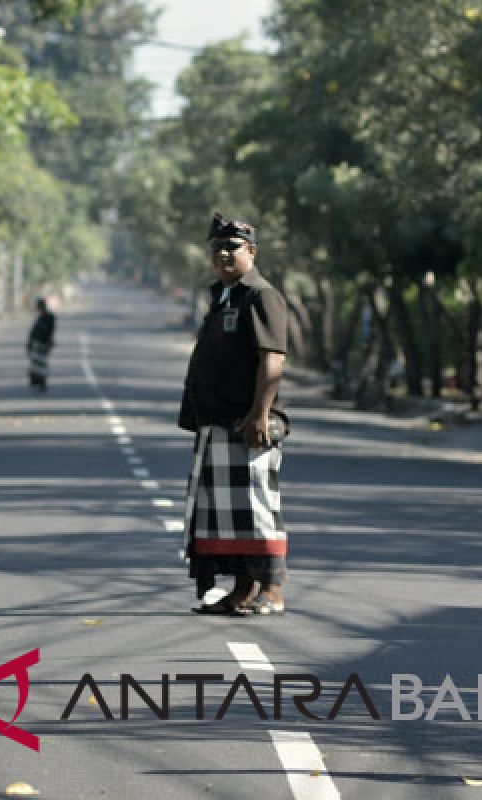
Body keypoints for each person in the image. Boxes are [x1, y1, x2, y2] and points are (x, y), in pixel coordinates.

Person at [179, 212, 288, 617]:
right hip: (219, 424)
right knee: (229, 516)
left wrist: (260, 413)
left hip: (249, 425)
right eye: (217, 248)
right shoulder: (225, 296)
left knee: (258, 509)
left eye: (233, 247)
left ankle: (273, 589)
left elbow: (272, 358)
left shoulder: (261, 296)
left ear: (252, 252)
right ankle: (243, 589)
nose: (224, 254)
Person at [26, 297, 56, 392]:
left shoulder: (49, 317)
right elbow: (33, 333)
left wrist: (49, 342)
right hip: (36, 343)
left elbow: (50, 331)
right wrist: (29, 343)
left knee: (42, 363)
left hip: (43, 343)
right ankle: (37, 381)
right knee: (35, 364)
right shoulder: (40, 317)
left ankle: (42, 382)